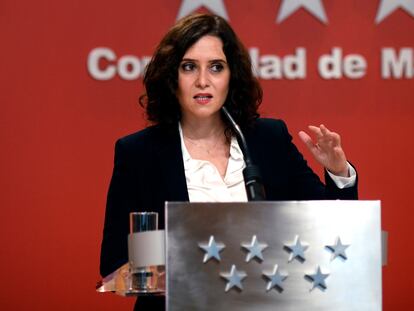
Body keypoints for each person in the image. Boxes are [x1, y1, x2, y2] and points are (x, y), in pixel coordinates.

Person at [100, 13, 357, 310]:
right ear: (172, 78)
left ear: (231, 75)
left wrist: (339, 173)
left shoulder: (268, 139)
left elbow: (332, 234)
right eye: (188, 67)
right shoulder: (140, 153)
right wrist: (193, 270)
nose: (202, 81)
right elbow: (115, 263)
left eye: (216, 67)